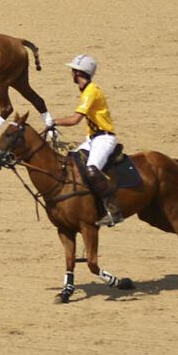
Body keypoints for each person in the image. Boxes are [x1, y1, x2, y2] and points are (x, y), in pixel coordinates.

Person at [52, 54, 122, 226]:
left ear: (78, 73)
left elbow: (75, 119)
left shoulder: (91, 92)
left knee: (91, 170)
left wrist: (54, 122)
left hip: (104, 139)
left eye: (73, 71)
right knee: (70, 161)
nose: (71, 74)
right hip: (92, 139)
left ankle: (113, 211)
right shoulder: (85, 90)